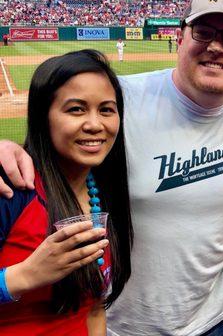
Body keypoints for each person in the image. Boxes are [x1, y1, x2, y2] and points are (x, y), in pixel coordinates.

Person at [0, 0, 223, 335]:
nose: (216, 46)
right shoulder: (119, 99)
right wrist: (5, 147)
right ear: (179, 39)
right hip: (123, 325)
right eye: (204, 32)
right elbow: (59, 129)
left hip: (213, 319)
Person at [0, 50, 133, 334]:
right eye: (76, 109)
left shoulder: (106, 191)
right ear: (43, 116)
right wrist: (22, 276)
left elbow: (94, 309)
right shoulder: (12, 189)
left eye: (107, 109)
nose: (95, 124)